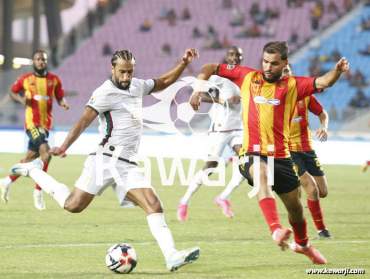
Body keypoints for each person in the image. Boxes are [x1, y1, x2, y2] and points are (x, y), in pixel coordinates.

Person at [10, 48, 200, 272]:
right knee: (73, 205)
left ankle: (171, 256)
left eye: (130, 72)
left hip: (127, 163)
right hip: (105, 160)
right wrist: (64, 146)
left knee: (153, 204)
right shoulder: (104, 92)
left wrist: (184, 62)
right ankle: (32, 170)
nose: (127, 77)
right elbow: (83, 122)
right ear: (112, 69)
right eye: (122, 72)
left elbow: (164, 81)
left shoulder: (137, 85)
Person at [190, 41, 349, 264]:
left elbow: (324, 81)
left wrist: (338, 71)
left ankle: (303, 245)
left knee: (295, 209)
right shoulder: (247, 76)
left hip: (282, 156)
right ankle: (275, 229)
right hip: (252, 152)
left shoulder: (294, 85)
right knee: (261, 174)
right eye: (265, 61)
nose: (268, 67)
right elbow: (208, 68)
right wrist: (198, 91)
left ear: (285, 63)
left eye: (274, 63)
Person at [177, 46, 245, 221]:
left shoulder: (246, 77)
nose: (235, 58)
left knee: (247, 164)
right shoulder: (219, 77)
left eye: (238, 55)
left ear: (241, 57)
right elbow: (202, 96)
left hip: (238, 129)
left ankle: (223, 197)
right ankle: (184, 201)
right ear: (226, 57)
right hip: (220, 130)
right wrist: (223, 100)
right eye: (231, 55)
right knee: (210, 168)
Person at [0, 49, 70, 210]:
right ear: (34, 62)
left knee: (29, 160)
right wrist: (21, 99)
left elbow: (60, 96)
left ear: (46, 62)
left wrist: (63, 102)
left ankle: (7, 181)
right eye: (38, 59)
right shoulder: (26, 79)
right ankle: (39, 191)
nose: (41, 62)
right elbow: (12, 91)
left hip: (46, 125)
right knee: (45, 152)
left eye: (43, 59)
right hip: (32, 123)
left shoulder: (54, 80)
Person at [284, 65, 332, 239]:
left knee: (323, 191)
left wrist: (324, 127)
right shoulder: (276, 98)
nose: (286, 73)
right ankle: (322, 231)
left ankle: (296, 187)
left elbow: (322, 113)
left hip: (307, 148)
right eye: (283, 71)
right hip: (290, 151)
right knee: (311, 190)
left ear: (291, 73)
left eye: (288, 70)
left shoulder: (305, 96)